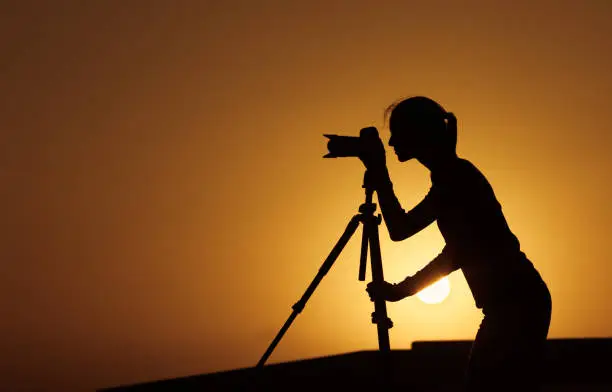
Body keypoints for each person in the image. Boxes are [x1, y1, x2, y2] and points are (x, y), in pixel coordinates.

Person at [362, 96, 552, 391]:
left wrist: (379, 172)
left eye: (397, 132)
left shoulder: (455, 178)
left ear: (417, 133)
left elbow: (407, 232)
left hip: (516, 305)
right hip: (514, 304)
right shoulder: (451, 176)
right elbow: (446, 249)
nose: (391, 142)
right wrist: (400, 290)